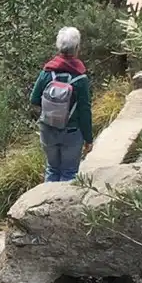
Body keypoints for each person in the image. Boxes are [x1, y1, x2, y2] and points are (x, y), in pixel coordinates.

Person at [30, 26, 93, 182]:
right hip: (71, 132)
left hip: (48, 130)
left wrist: (53, 110)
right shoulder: (80, 79)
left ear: (58, 47)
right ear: (77, 48)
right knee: (69, 172)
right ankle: (65, 205)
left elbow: (34, 99)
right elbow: (85, 111)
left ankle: (46, 204)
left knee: (52, 169)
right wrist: (88, 139)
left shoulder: (47, 73)